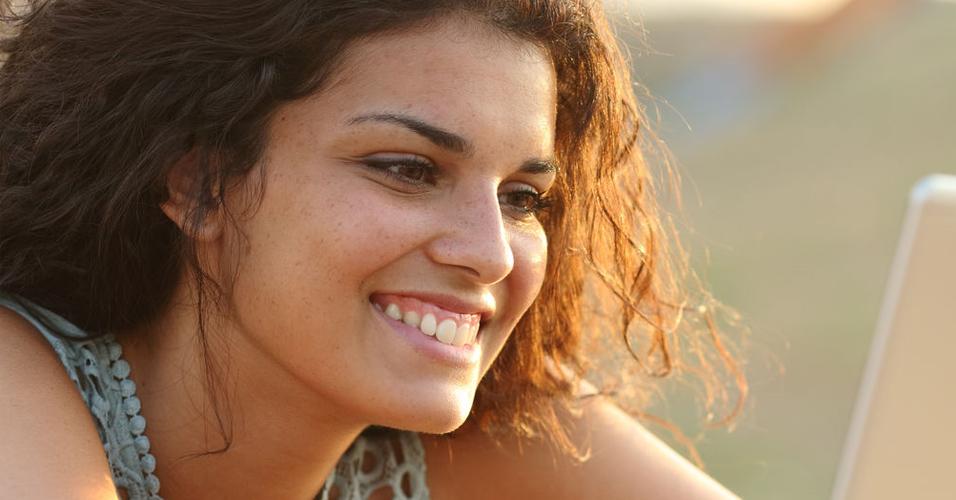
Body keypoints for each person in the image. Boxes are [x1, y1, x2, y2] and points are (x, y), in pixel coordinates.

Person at [0, 0, 745, 498]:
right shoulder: (13, 383)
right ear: (201, 185)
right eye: (409, 170)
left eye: (522, 198)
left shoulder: (499, 429)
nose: (490, 255)